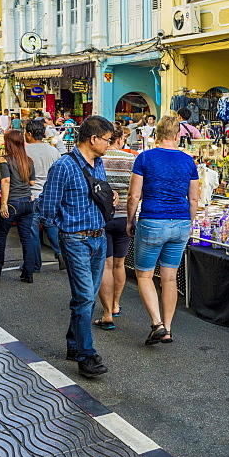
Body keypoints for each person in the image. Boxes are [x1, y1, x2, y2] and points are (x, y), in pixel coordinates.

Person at [41, 115, 116, 378]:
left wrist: (109, 196)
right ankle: (86, 355)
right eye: (108, 140)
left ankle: (74, 344)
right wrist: (60, 244)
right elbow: (47, 208)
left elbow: (99, 192)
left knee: (86, 297)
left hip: (98, 237)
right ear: (93, 139)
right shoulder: (63, 166)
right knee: (85, 298)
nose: (110, 144)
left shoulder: (99, 164)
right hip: (75, 239)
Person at [127, 115, 199, 346]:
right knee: (169, 279)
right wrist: (190, 222)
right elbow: (194, 198)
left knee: (145, 275)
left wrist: (130, 220)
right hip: (180, 223)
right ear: (178, 136)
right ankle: (167, 328)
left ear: (155, 135)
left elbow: (133, 196)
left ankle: (157, 323)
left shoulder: (145, 158)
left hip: (152, 221)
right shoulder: (189, 161)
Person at [0, 129, 36, 283]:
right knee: (26, 238)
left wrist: (4, 204)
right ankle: (28, 272)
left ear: (9, 143)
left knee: (1, 234)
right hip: (27, 202)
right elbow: (32, 182)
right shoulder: (28, 160)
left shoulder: (4, 160)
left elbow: (5, 181)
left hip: (12, 202)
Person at [96, 134, 136, 329]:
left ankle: (106, 313)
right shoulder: (131, 159)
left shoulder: (97, 159)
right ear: (119, 139)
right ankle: (115, 304)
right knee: (120, 265)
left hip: (102, 217)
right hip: (124, 218)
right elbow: (136, 192)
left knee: (105, 266)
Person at [25, 119, 64, 272]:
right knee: (51, 225)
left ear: (29, 134)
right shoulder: (53, 151)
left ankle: (35, 264)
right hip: (49, 196)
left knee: (33, 231)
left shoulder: (25, 152)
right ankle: (61, 253)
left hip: (32, 195)